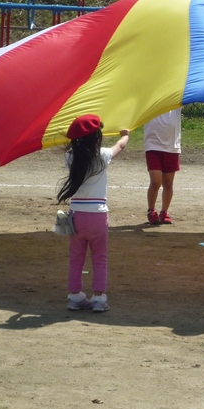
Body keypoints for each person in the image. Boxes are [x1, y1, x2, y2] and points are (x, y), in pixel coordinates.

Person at [58, 114, 130, 313]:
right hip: (98, 216)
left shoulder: (70, 156)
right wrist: (125, 134)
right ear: (96, 137)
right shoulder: (102, 155)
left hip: (76, 216)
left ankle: (74, 296)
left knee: (76, 258)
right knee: (100, 258)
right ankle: (99, 298)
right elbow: (120, 146)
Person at [143, 108, 182, 225]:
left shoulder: (176, 104)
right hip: (153, 145)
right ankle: (151, 210)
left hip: (172, 147)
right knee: (155, 181)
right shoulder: (151, 100)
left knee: (168, 183)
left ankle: (164, 212)